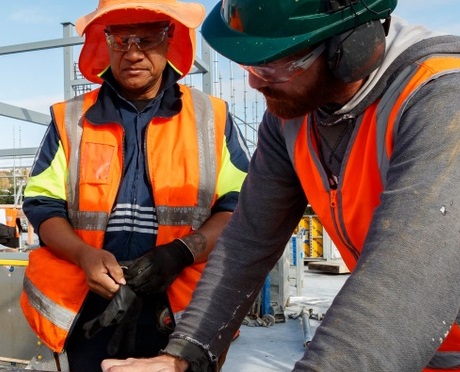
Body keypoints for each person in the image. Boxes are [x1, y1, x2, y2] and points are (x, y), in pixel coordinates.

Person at [101, 0, 460, 371]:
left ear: (350, 49)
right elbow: (249, 240)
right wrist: (184, 355)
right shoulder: (292, 117)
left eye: (275, 65)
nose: (255, 82)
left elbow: (406, 279)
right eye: (250, 65)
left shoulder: (444, 100)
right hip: (412, 351)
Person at [19, 0, 250, 371]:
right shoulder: (70, 119)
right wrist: (84, 255)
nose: (133, 53)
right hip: (91, 311)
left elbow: (239, 209)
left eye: (148, 38)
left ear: (171, 38)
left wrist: (180, 253)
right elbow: (43, 205)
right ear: (104, 40)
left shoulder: (212, 117)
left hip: (181, 315)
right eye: (120, 39)